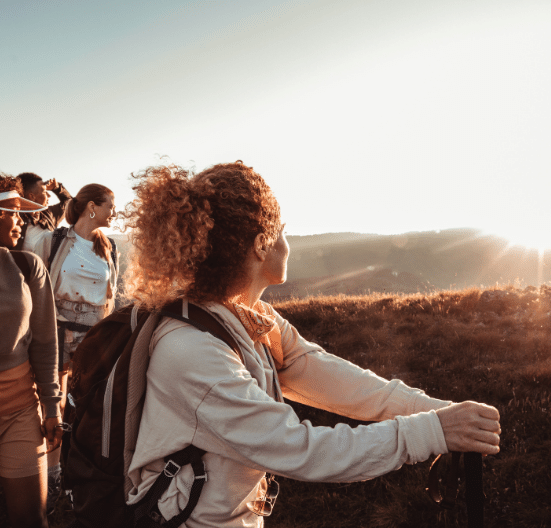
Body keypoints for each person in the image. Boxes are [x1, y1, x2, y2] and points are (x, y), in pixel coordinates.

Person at [121, 161, 501, 527]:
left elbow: (329, 375)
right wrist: (432, 432)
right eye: (282, 229)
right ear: (261, 244)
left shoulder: (249, 318)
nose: (288, 240)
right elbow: (299, 449)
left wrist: (443, 413)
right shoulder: (193, 352)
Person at [0, 167, 63, 528]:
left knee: (31, 519)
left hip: (21, 412)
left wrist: (52, 406)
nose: (22, 219)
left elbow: (45, 341)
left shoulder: (26, 265)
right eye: (11, 210)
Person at [33, 183, 118, 512]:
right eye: (111, 205)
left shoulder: (107, 247)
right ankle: (50, 480)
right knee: (53, 409)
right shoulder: (53, 240)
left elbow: (109, 298)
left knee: (89, 411)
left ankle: (79, 479)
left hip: (93, 340)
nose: (115, 212)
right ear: (92, 207)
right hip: (55, 334)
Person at [15, 172, 73, 251]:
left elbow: (69, 203)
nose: (49, 195)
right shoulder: (13, 219)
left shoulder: (49, 214)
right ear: (32, 196)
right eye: (44, 192)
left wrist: (57, 188)